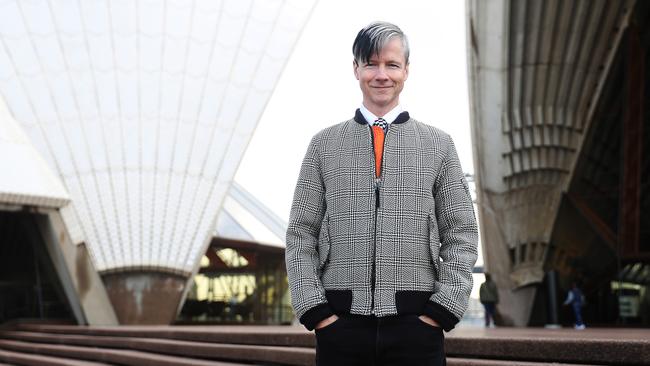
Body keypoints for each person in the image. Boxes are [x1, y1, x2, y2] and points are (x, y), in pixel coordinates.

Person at [285, 21, 478, 366]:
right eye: (371, 63)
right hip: (339, 325)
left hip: (418, 326)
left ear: (406, 70)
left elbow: (461, 232)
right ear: (356, 69)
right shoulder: (323, 145)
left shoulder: (439, 145)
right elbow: (301, 233)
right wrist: (316, 311)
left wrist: (442, 308)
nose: (381, 74)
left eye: (392, 64)